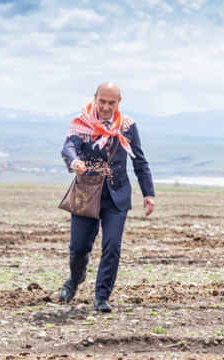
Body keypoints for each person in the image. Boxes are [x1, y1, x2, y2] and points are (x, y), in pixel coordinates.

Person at [59, 82, 155, 313]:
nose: (106, 107)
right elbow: (69, 147)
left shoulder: (128, 126)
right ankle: (76, 277)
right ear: (95, 98)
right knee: (79, 248)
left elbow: (139, 162)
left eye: (112, 102)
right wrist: (74, 162)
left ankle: (102, 297)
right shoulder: (82, 123)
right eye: (102, 101)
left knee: (112, 246)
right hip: (86, 193)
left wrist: (148, 193)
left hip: (117, 196)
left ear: (119, 102)